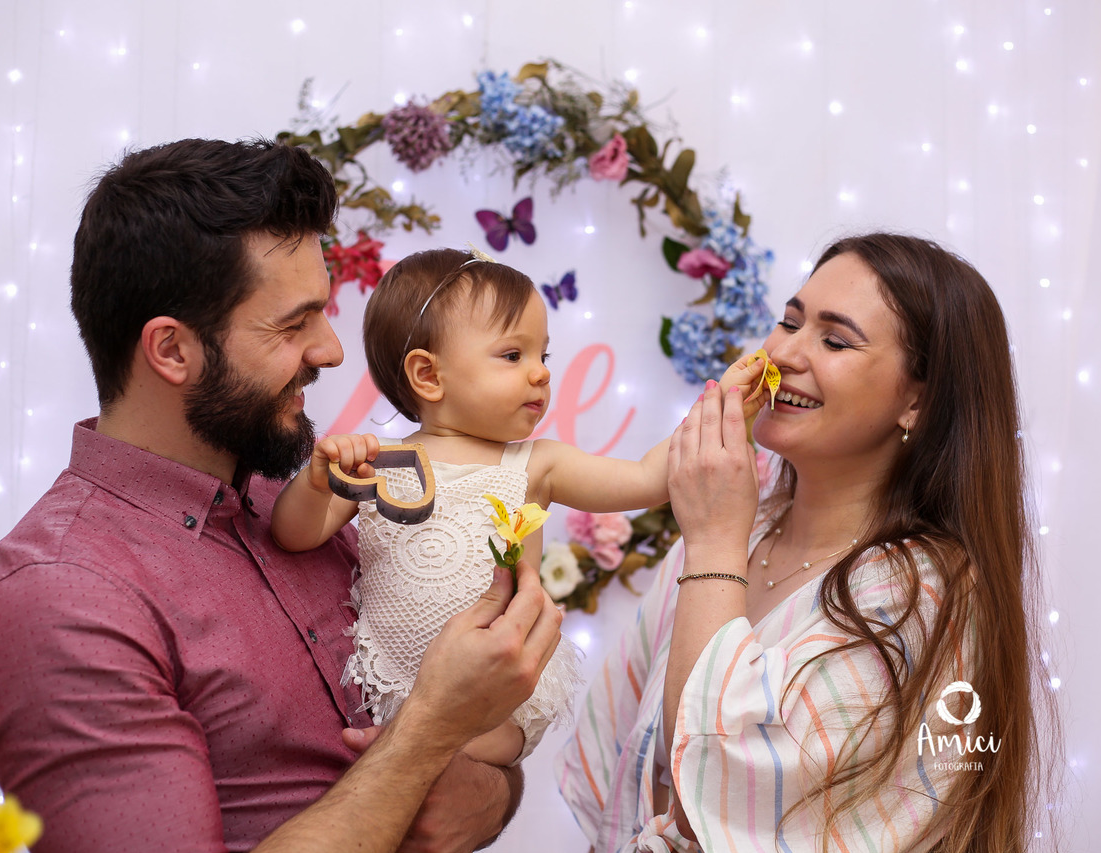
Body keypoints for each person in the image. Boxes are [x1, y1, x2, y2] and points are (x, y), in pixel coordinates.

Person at [0, 138, 564, 853]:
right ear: (172, 350)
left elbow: (466, 765)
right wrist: (426, 735)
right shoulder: (59, 600)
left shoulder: (312, 494)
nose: (332, 350)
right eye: (293, 323)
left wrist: (490, 794)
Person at [556, 233, 1057, 853]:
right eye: (787, 322)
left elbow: (710, 806)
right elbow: (616, 763)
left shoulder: (924, 594)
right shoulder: (742, 529)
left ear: (917, 402)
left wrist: (714, 541)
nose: (784, 354)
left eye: (834, 339)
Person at [271, 249, 769, 767]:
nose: (540, 375)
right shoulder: (384, 465)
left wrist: (720, 404)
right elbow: (293, 534)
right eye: (514, 356)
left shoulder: (536, 465)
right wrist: (315, 484)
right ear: (428, 376)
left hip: (496, 694)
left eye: (543, 357)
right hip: (390, 689)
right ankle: (401, 757)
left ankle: (419, 758)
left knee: (484, 748)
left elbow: (647, 479)